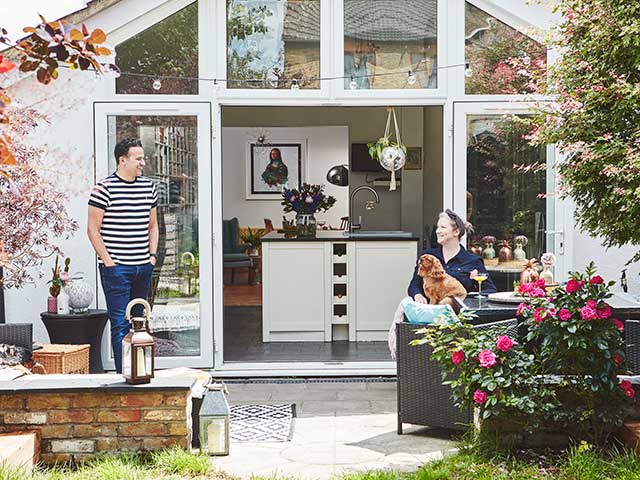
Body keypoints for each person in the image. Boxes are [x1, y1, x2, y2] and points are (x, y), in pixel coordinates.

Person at [87, 138, 159, 373]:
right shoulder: (103, 188)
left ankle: (140, 373)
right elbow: (92, 230)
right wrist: (109, 263)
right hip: (116, 269)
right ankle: (124, 376)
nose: (143, 163)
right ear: (122, 160)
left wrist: (152, 257)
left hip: (143, 267)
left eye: (143, 158)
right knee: (120, 324)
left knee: (140, 323)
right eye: (138, 158)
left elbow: (153, 226)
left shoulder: (149, 187)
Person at [407, 209, 496, 303]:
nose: (437, 231)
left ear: (456, 232)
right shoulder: (428, 257)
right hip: (430, 310)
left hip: (458, 314)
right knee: (405, 303)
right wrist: (418, 295)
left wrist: (467, 300)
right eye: (437, 227)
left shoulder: (473, 261)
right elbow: (414, 286)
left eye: (443, 227)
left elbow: (489, 290)